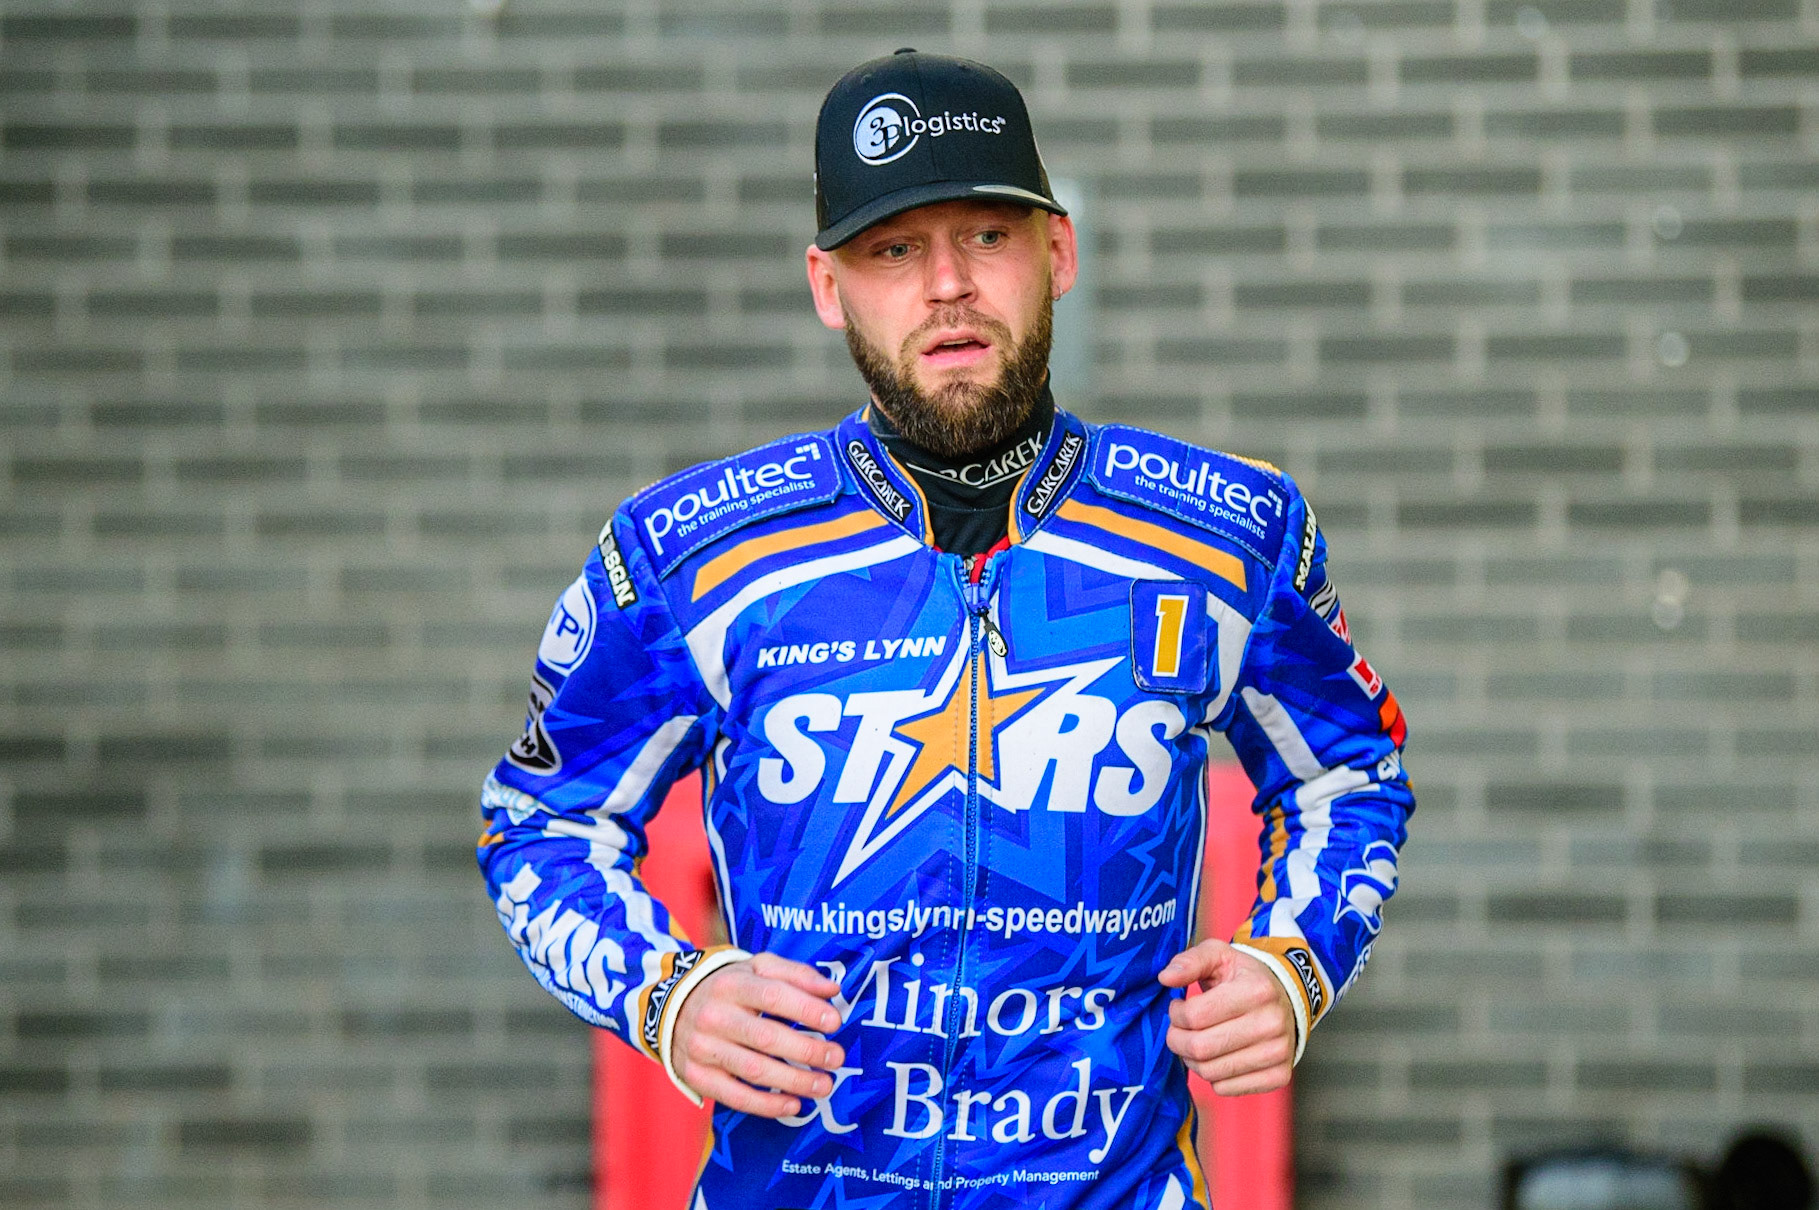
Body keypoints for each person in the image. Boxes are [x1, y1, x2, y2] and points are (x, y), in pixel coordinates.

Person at [478, 48, 1413, 1210]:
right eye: (894, 249)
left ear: (1057, 252)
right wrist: (665, 994)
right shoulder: (692, 554)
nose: (947, 285)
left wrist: (1295, 962)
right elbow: (538, 821)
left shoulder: (1225, 535)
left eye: (986, 235)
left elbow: (1349, 774)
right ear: (829, 286)